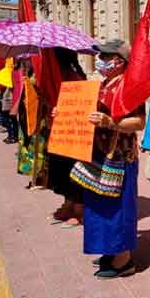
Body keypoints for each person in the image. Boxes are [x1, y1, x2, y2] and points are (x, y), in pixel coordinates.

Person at [77, 39, 146, 278]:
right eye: (102, 56)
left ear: (120, 61)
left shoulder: (129, 86)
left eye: (106, 57)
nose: (102, 61)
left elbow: (139, 122)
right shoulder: (104, 83)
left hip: (121, 156)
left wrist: (111, 123)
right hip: (99, 153)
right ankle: (110, 250)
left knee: (120, 207)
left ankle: (124, 260)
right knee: (101, 206)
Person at [47, 48, 87, 227]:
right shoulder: (55, 76)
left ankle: (79, 211)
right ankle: (68, 204)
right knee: (62, 171)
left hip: (74, 135)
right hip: (61, 132)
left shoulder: (73, 76)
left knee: (73, 171)